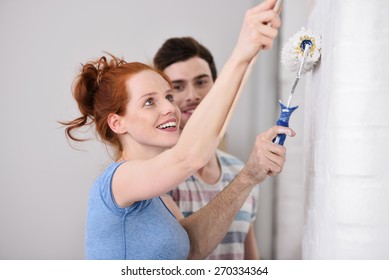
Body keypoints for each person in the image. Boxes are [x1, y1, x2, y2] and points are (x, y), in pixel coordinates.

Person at [62, 0, 293, 260]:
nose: (170, 108)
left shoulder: (161, 198)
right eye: (149, 101)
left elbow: (191, 251)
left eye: (168, 97)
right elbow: (190, 156)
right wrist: (241, 53)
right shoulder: (119, 180)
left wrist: (249, 175)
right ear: (118, 123)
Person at [153, 37, 262, 260]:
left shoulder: (239, 169)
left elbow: (251, 260)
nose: (192, 95)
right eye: (178, 87)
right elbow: (183, 256)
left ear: (217, 86)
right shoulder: (155, 177)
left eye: (201, 82)